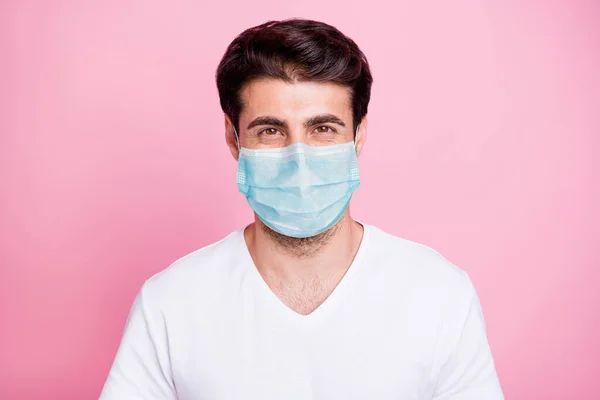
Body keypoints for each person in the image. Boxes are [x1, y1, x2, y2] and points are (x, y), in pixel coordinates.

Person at [99, 18, 503, 400]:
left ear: (359, 135)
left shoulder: (439, 295)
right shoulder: (170, 304)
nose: (300, 159)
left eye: (323, 129)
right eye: (271, 130)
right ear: (233, 137)